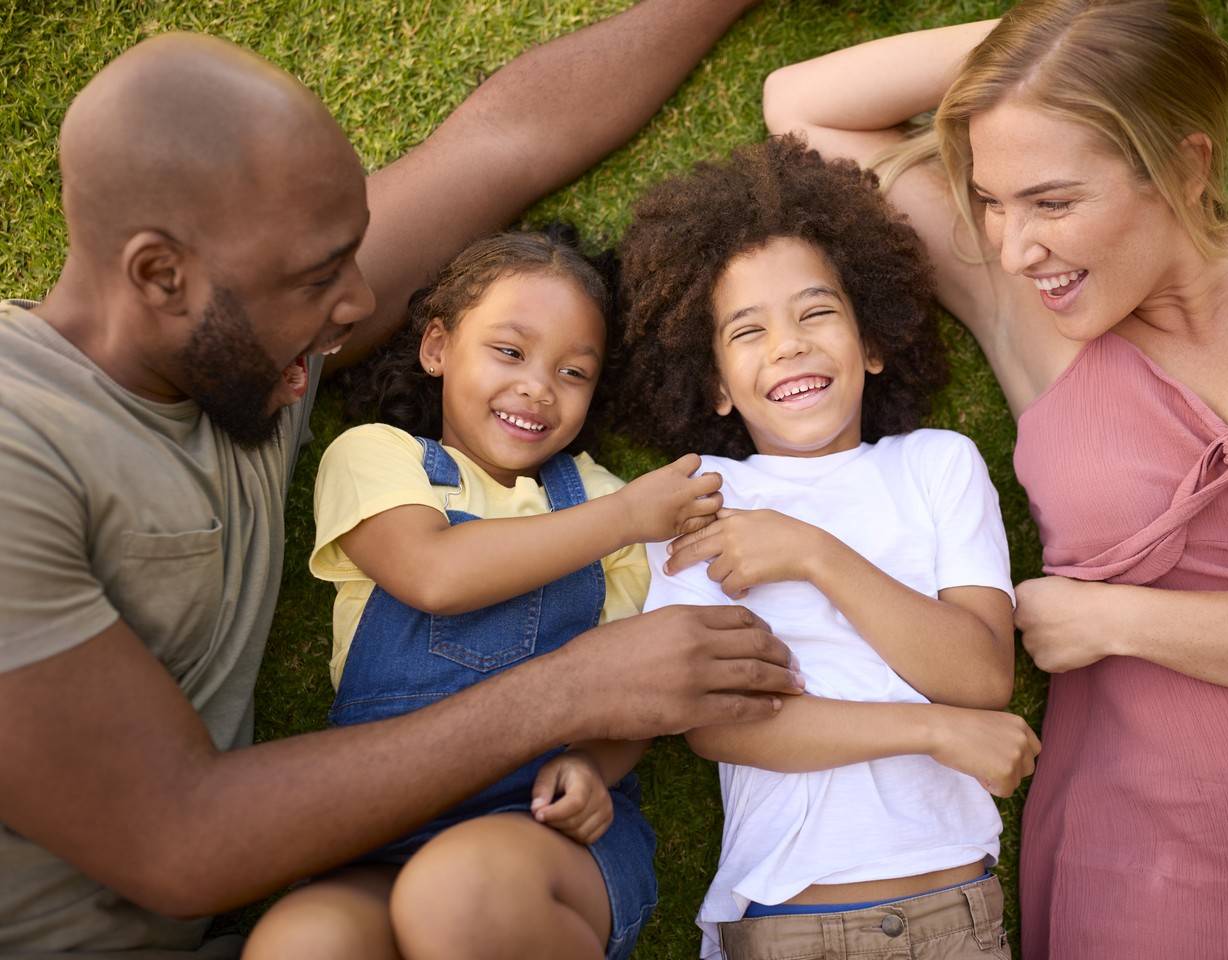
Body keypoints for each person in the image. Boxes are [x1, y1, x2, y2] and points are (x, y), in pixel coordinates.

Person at [0, 4, 806, 957]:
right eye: (316, 278)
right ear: (161, 276)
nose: (358, 304)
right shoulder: (22, 442)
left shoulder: (252, 359)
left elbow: (510, 142)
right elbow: (177, 837)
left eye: (352, 254)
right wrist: (570, 691)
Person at [762, 1, 1228, 956]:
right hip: (1143, 866)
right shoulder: (1030, 311)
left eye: (1051, 201)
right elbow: (802, 109)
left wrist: (1122, 620)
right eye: (990, 201)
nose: (1011, 247)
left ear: (1187, 164)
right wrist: (1054, 41)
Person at [616, 134, 1041, 960]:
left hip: (953, 911)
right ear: (715, 385)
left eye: (816, 312)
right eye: (747, 332)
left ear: (873, 341)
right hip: (787, 920)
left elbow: (982, 674)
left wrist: (813, 552)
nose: (789, 345)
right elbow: (716, 724)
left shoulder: (937, 465)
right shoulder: (705, 494)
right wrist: (929, 732)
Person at [245, 229, 725, 959]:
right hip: (380, 821)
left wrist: (594, 766)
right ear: (437, 348)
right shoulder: (378, 457)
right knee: (299, 942)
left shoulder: (601, 500)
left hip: (546, 832)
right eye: (510, 351)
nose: (537, 386)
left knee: (456, 895)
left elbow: (638, 682)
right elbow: (434, 574)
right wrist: (623, 518)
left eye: (573, 372)